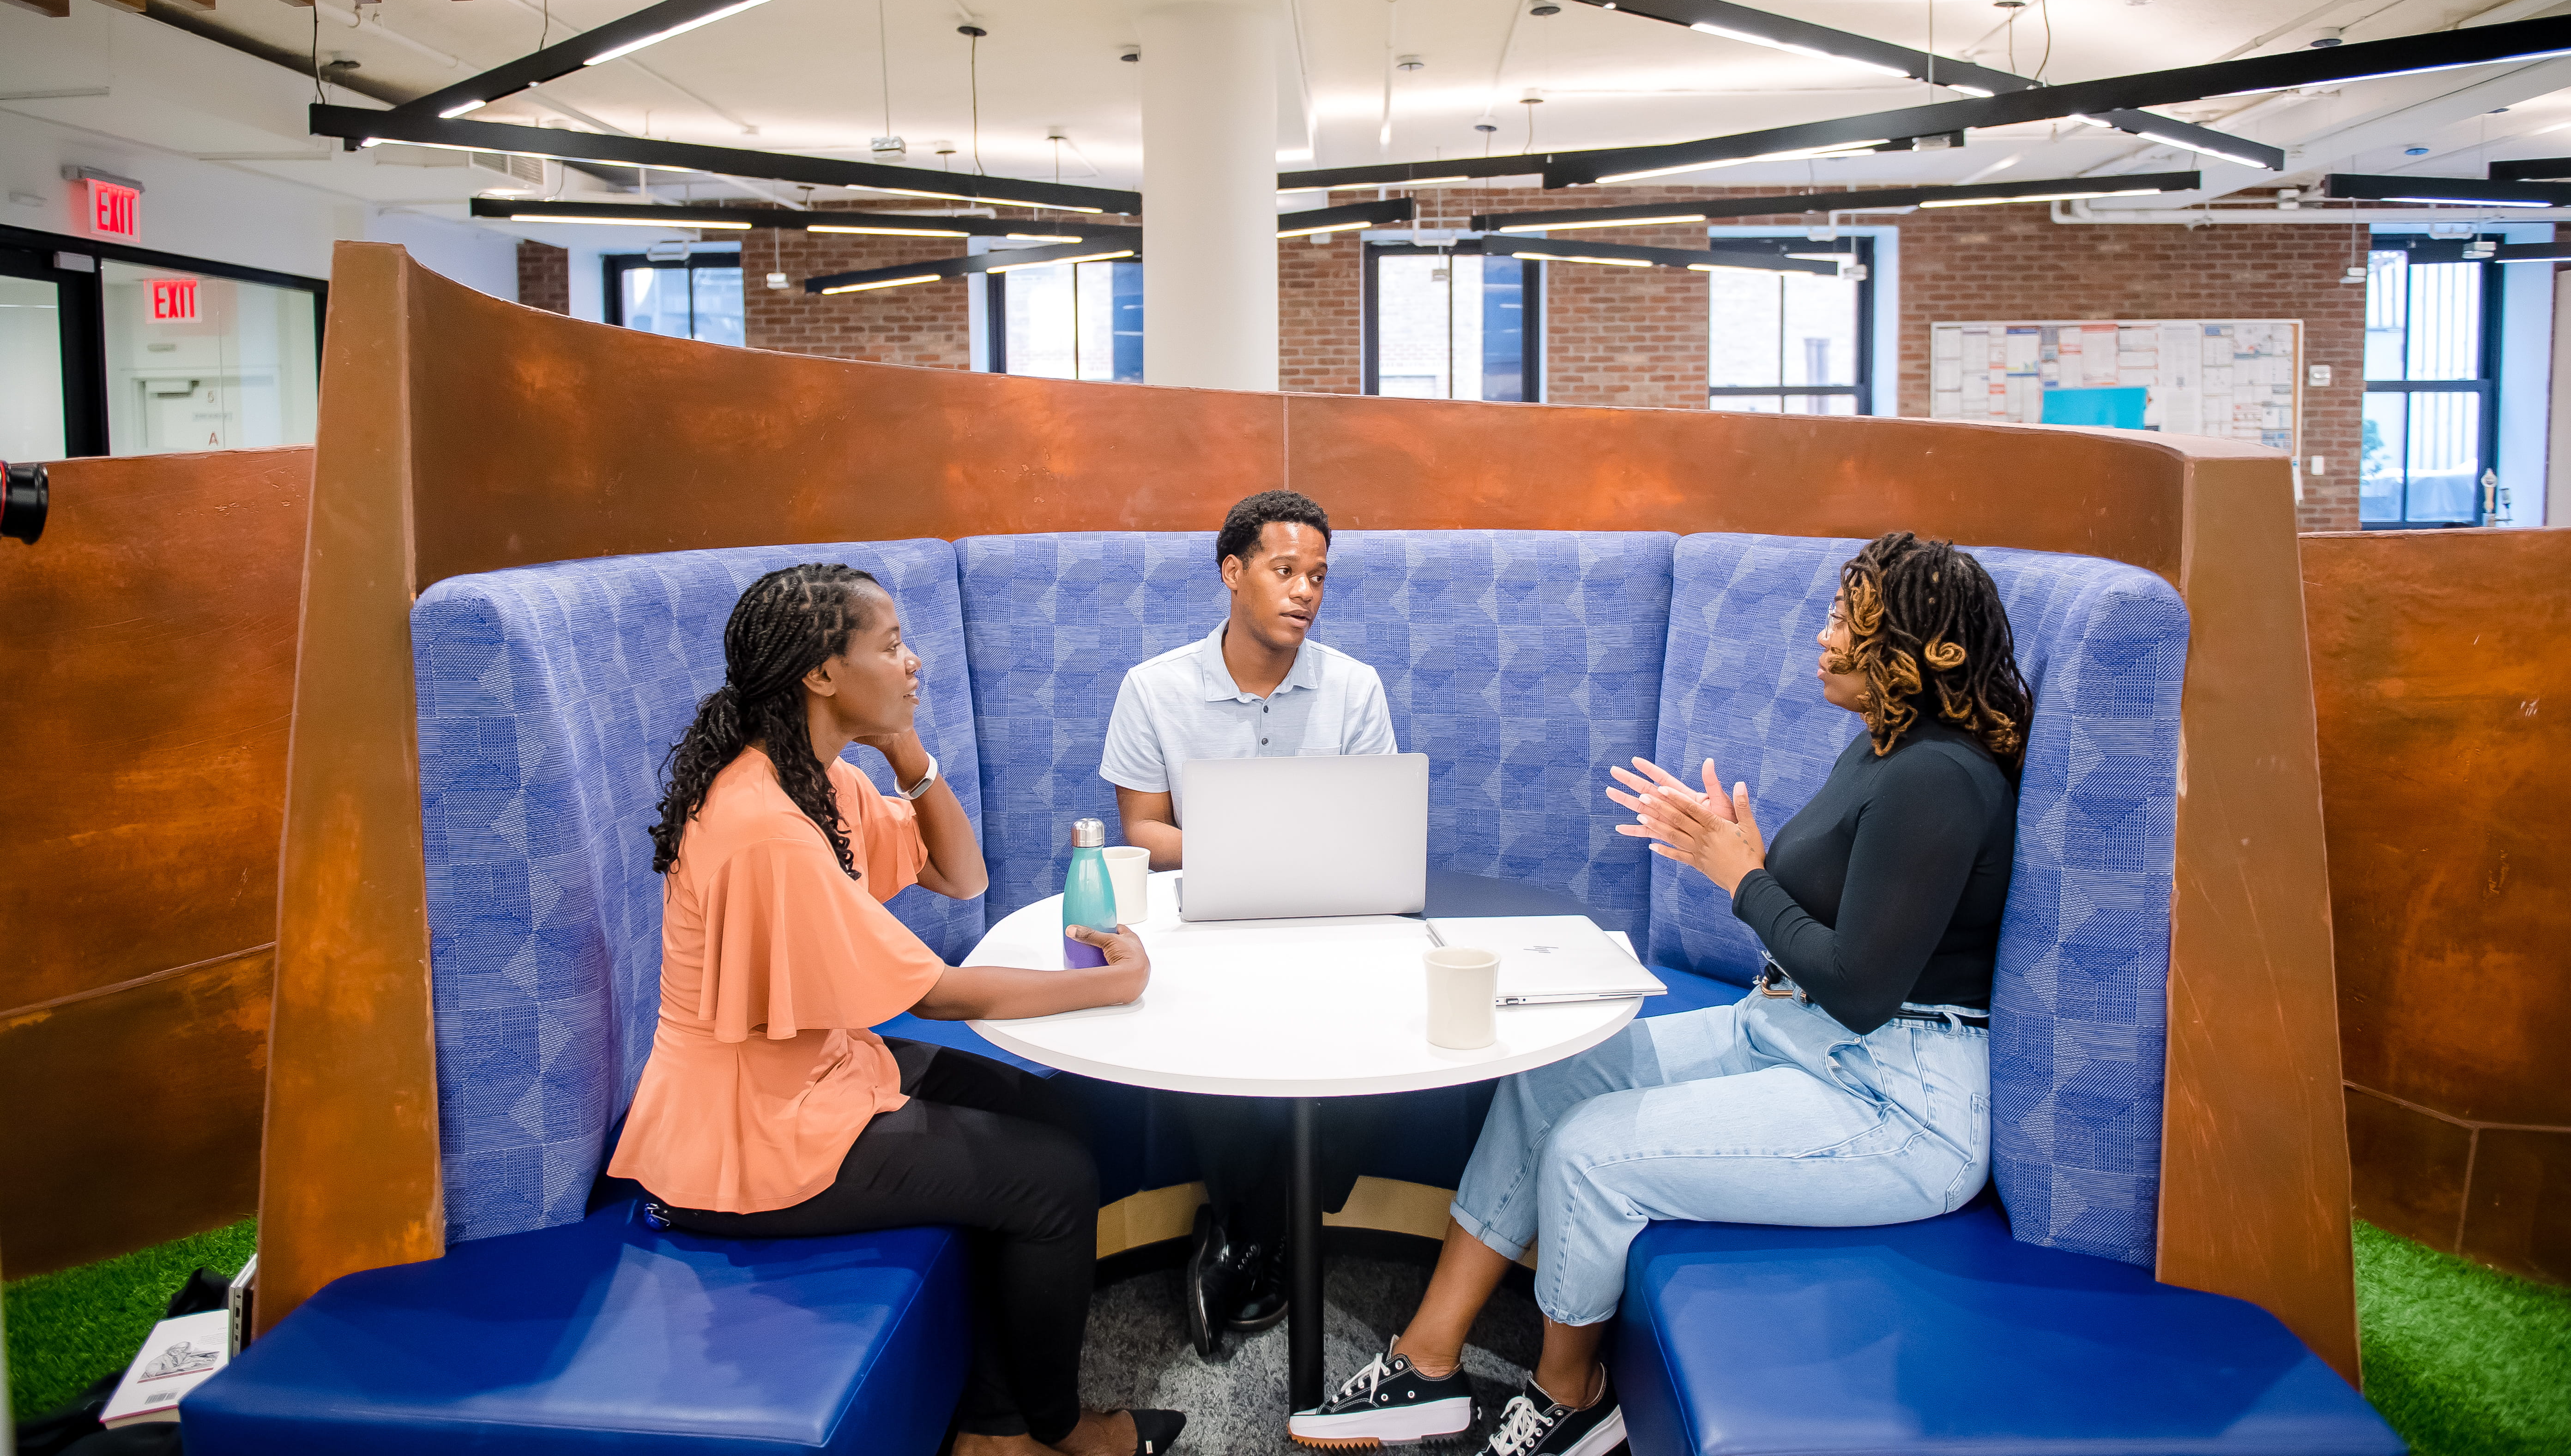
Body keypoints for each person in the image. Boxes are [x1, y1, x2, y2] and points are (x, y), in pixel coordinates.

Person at [1289, 532, 2030, 1456]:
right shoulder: (1883, 751)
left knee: (1593, 1152)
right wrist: (1748, 858)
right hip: (1793, 1033)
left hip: (1895, 1102)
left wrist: (1742, 877)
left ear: (1924, 649)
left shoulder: (1942, 779)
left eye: (1850, 619)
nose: (1826, 634)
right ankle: (1429, 1360)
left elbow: (1864, 988)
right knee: (1550, 1076)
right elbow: (1843, 931)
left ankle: (1572, 1397)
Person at [608, 564, 1182, 1456]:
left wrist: (909, 752)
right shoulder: (763, 823)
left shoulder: (814, 779)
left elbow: (962, 877)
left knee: (1060, 1111)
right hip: (745, 1138)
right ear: (822, 674)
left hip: (820, 1071)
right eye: (892, 646)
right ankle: (1050, 1432)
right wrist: (1114, 982)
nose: (914, 663)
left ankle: (995, 1426)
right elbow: (937, 996)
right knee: (1054, 1178)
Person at [1098, 489, 1397, 1356]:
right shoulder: (1154, 688)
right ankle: (1256, 1239)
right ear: (1233, 573)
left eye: (1318, 576)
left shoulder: (1353, 687)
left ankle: (1242, 1240)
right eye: (1284, 570)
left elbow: (1375, 821)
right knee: (1206, 1038)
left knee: (1386, 1053)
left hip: (1330, 919)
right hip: (1210, 919)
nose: (1305, 591)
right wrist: (1243, 854)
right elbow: (1144, 831)